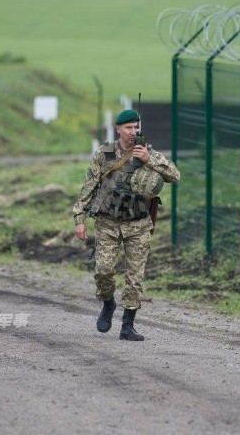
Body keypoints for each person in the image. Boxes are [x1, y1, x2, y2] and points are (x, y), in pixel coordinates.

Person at [72, 108, 180, 341]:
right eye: (128, 128)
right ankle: (108, 303)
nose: (133, 132)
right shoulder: (105, 154)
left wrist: (148, 160)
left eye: (136, 127)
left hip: (138, 224)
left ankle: (127, 326)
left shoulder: (147, 153)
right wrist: (79, 219)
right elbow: (88, 186)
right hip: (108, 223)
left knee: (134, 276)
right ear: (118, 129)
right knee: (104, 271)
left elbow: (174, 175)